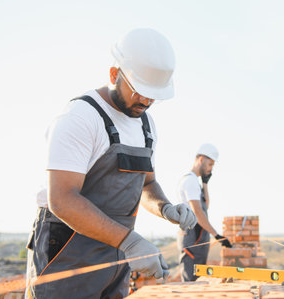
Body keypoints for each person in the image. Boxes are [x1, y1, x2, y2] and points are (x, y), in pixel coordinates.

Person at [25, 28, 197, 299]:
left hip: (116, 250)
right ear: (114, 74)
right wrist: (130, 242)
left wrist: (165, 208)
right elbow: (62, 199)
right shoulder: (80, 117)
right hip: (69, 249)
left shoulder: (146, 124)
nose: (146, 101)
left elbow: (146, 183)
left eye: (153, 95)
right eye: (140, 90)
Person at [177, 143, 232, 282]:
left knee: (198, 278)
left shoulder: (196, 181)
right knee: (191, 281)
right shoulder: (189, 180)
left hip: (198, 237)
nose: (211, 168)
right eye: (210, 164)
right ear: (201, 159)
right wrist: (217, 235)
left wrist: (205, 183)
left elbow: (205, 206)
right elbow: (198, 213)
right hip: (192, 237)